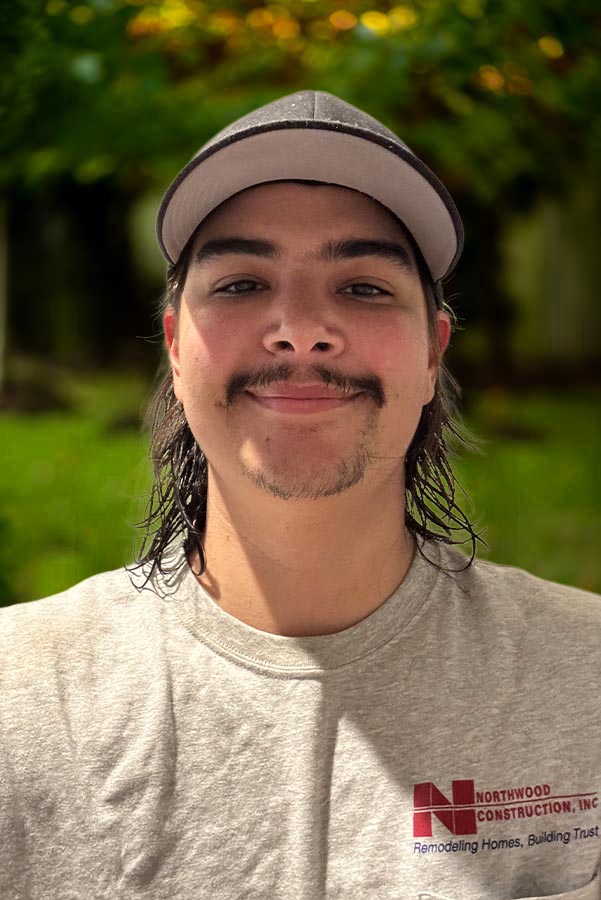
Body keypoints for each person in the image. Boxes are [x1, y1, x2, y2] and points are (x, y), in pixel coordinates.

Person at [1, 91, 599, 900]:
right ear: (176, 349)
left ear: (432, 351)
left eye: (363, 288)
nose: (299, 329)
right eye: (243, 284)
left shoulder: (581, 680)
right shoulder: (22, 697)